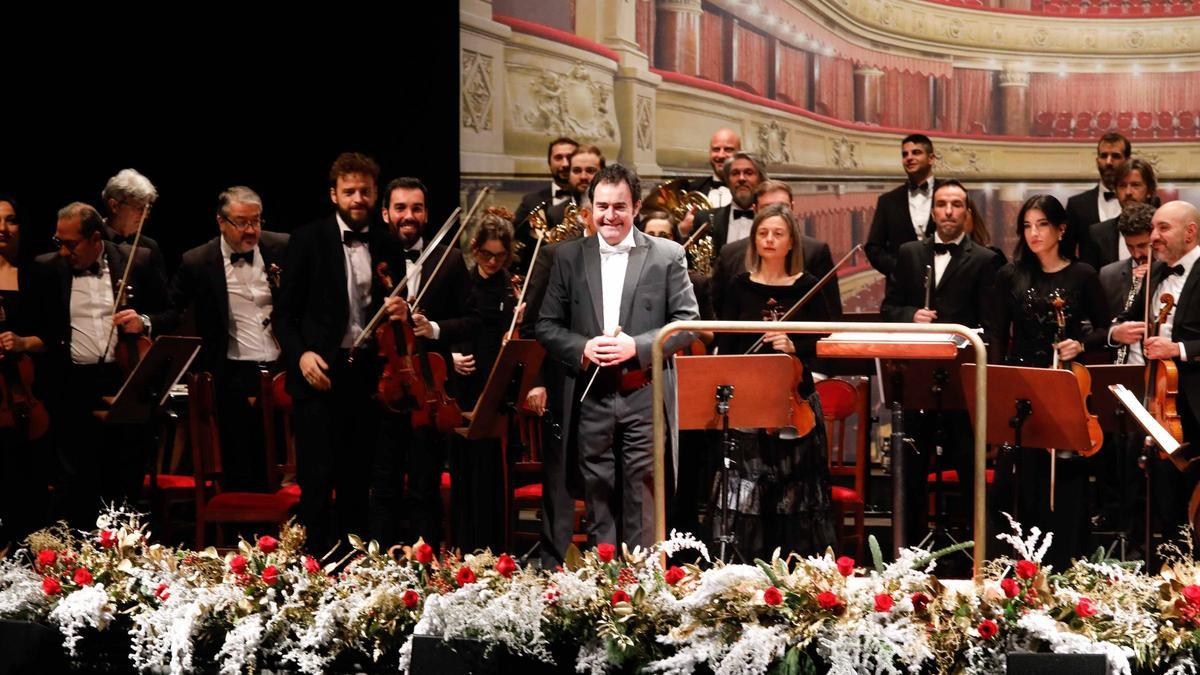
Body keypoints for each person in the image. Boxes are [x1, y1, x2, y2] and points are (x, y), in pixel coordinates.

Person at [536, 162, 699, 550]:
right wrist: (583, 347)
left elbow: (687, 324)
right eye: (602, 206)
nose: (610, 215)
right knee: (597, 496)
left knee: (643, 498)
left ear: (637, 208)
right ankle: (604, 593)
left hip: (642, 393)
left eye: (620, 206)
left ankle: (642, 594)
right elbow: (545, 326)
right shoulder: (566, 257)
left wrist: (637, 346)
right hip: (591, 394)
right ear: (590, 209)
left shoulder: (667, 254)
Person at [272, 152, 401, 553]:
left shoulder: (387, 242)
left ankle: (352, 569)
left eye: (365, 191)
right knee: (316, 480)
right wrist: (302, 356)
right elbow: (284, 315)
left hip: (366, 375)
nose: (357, 198)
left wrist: (402, 308)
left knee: (357, 481)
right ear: (334, 195)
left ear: (375, 193)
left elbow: (397, 303)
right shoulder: (308, 239)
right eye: (349, 192)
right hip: (319, 373)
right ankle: (310, 573)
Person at [990, 194, 1111, 569]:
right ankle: (1015, 566)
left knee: (1065, 479)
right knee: (1017, 480)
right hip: (1022, 384)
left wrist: (1081, 343)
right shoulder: (1009, 275)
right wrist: (996, 384)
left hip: (1064, 384)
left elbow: (1105, 329)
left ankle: (1064, 565)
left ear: (1061, 229)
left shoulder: (1083, 275)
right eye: (1027, 226)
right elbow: (995, 335)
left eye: (1042, 224)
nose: (1033, 233)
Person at [711, 203, 836, 558]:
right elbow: (728, 344)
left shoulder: (808, 286)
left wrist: (794, 345)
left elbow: (825, 343)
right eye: (763, 233)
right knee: (748, 488)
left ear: (791, 242)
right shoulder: (739, 286)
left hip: (795, 402)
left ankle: (796, 565)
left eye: (778, 233)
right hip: (751, 402)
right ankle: (746, 564)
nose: (769, 239)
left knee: (795, 489)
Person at [880, 180, 1000, 544]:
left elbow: (992, 325)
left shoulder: (986, 259)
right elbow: (889, 309)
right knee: (911, 473)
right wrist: (910, 316)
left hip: (962, 383)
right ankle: (907, 555)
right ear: (932, 211)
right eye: (943, 204)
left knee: (969, 471)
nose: (949, 210)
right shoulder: (909, 253)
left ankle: (979, 554)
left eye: (957, 205)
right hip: (917, 379)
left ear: (967, 213)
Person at [38, 202, 170, 529]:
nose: (64, 251)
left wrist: (143, 321)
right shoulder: (47, 269)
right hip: (73, 385)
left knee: (124, 477)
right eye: (59, 242)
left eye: (71, 244)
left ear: (95, 238)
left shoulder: (137, 260)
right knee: (78, 481)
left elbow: (170, 313)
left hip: (124, 379)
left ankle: (124, 557)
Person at [369, 176, 469, 548]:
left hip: (428, 389)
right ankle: (378, 567)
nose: (408, 216)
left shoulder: (451, 260)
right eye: (400, 208)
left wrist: (436, 328)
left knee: (426, 487)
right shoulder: (370, 259)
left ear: (427, 214)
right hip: (383, 390)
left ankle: (425, 569)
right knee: (383, 484)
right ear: (385, 213)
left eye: (416, 208)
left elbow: (471, 320)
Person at [168, 186, 288, 490]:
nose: (251, 230)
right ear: (221, 222)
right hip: (229, 373)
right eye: (241, 222)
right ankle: (242, 534)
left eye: (256, 221)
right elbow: (169, 311)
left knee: (280, 460)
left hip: (280, 369)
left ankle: (283, 534)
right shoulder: (197, 261)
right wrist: (142, 321)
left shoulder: (283, 247)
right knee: (239, 462)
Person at [424, 212, 519, 552]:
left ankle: (493, 550)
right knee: (463, 470)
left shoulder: (510, 290)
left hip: (494, 389)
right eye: (486, 254)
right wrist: (451, 357)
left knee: (491, 474)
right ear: (475, 249)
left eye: (500, 256)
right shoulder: (460, 283)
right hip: (461, 389)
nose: (492, 262)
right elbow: (449, 327)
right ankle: (463, 548)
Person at [1108, 201, 1200, 546]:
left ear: (1190, 232)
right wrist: (1118, 331)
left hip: (1195, 404)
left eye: (1163, 229)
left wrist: (1178, 349)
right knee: (1163, 498)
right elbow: (1125, 321)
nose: (1154, 237)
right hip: (1160, 404)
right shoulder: (1155, 274)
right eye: (1154, 229)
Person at [0, 196, 58, 547]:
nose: (3, 229)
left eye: (11, 220)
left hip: (26, 396)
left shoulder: (35, 275)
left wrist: (23, 343)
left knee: (28, 483)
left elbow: (55, 338)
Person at [865, 134, 938, 279]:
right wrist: (897, 269)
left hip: (946, 284)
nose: (909, 158)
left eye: (916, 152)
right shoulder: (887, 201)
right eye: (905, 154)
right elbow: (874, 247)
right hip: (901, 289)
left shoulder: (951, 193)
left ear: (931, 158)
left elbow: (967, 237)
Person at [513, 137, 579, 275]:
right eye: (558, 157)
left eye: (570, 157)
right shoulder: (530, 201)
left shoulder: (591, 201)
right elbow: (515, 237)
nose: (565, 163)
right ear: (549, 163)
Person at [1080, 158, 1157, 271]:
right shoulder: (1097, 233)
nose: (1128, 192)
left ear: (1150, 190)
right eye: (1122, 185)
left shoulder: (1165, 230)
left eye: (1135, 185)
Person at [1066, 133, 1130, 258]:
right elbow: (1066, 253)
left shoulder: (1144, 201)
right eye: (1104, 156)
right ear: (1097, 160)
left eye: (1115, 156)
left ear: (1128, 161)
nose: (1109, 162)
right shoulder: (1077, 205)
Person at [100, 169, 169, 285]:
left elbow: (160, 297)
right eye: (139, 207)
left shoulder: (150, 247)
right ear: (114, 206)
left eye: (147, 208)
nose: (145, 215)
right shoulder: (92, 240)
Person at [689, 152, 767, 254]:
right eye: (735, 173)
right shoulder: (704, 219)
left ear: (761, 179)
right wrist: (682, 232)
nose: (741, 178)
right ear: (727, 180)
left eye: (748, 173)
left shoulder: (772, 220)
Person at [684, 127, 740, 208]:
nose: (721, 155)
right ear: (710, 153)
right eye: (716, 149)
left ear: (739, 153)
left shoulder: (753, 190)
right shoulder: (693, 189)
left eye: (728, 149)